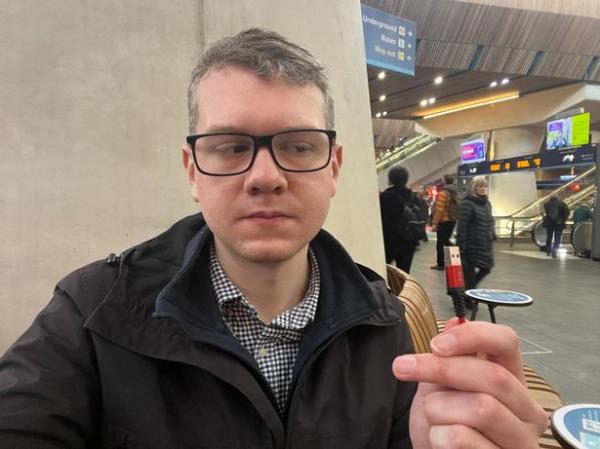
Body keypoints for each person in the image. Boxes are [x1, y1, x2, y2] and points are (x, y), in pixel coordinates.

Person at [0, 28, 547, 448]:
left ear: (334, 168)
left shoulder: (382, 325)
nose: (266, 176)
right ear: (192, 171)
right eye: (231, 146)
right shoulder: (92, 313)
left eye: (299, 146)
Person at [456, 176, 495, 305]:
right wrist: (461, 246)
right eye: (480, 186)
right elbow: (462, 226)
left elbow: (489, 221)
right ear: (474, 187)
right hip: (470, 244)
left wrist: (492, 235)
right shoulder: (467, 203)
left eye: (484, 186)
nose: (483, 189)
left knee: (487, 267)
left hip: (484, 243)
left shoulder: (487, 203)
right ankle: (469, 297)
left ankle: (467, 291)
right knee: (470, 274)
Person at [380, 166, 424, 273]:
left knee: (383, 272)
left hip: (389, 242)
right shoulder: (413, 196)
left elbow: (382, 220)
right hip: (409, 241)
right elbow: (421, 215)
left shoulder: (385, 197)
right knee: (404, 274)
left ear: (390, 179)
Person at [430, 174, 459, 270]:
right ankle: (454, 259)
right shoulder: (455, 192)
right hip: (452, 220)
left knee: (440, 243)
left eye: (442, 180)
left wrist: (434, 223)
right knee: (446, 240)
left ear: (445, 181)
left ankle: (441, 264)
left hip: (444, 221)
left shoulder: (442, 193)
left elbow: (439, 210)